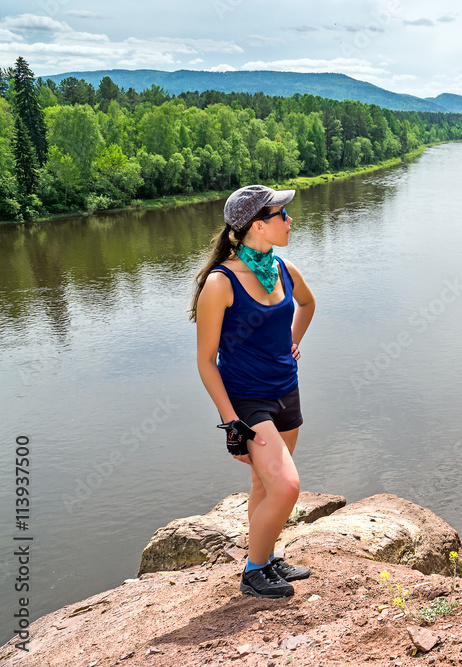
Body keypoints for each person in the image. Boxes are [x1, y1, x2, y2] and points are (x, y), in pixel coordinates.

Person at [189, 185, 316, 598]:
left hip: (286, 391)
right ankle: (253, 571)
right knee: (286, 486)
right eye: (283, 214)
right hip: (247, 400)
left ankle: (266, 557)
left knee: (264, 484)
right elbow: (206, 361)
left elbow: (308, 305)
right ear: (259, 225)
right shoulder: (221, 283)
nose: (290, 220)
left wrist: (292, 342)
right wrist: (232, 425)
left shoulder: (282, 268)